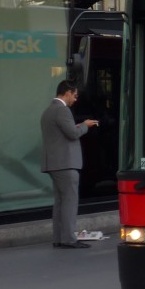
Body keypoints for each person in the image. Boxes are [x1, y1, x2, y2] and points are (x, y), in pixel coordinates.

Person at [40, 80, 98, 249]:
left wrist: (77, 126)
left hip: (54, 163)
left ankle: (59, 238)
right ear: (67, 93)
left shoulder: (48, 111)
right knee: (69, 202)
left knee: (60, 202)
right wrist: (85, 126)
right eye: (75, 95)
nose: (76, 99)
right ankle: (69, 239)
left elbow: (62, 133)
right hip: (66, 163)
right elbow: (72, 134)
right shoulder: (62, 110)